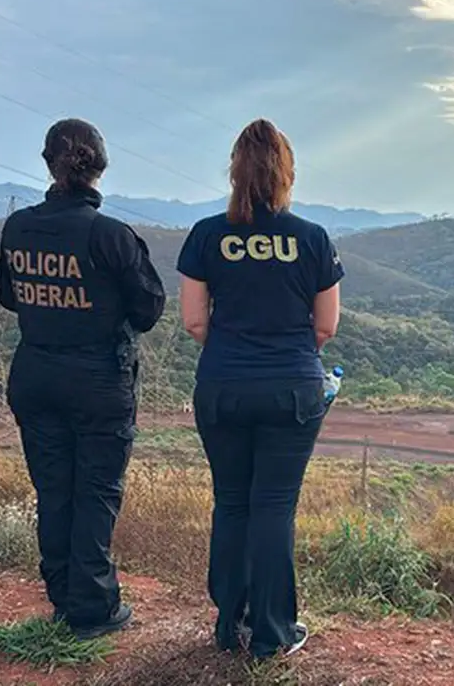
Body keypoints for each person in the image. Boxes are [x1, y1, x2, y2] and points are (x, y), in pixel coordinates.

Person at [176, 118, 344, 659]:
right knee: (273, 507)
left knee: (231, 502)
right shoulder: (312, 238)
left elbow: (194, 321)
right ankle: (272, 635)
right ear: (287, 173)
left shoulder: (206, 235)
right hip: (291, 390)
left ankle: (230, 627)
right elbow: (326, 326)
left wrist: (234, 353)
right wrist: (283, 357)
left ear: (235, 171)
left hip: (222, 387)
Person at [0, 118, 166, 639]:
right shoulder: (111, 236)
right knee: (96, 490)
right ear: (100, 167)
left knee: (53, 488)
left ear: (48, 163)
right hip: (97, 380)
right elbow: (149, 308)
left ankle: (62, 595)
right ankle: (92, 607)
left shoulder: (17, 227)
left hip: (35, 374)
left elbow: (9, 297)